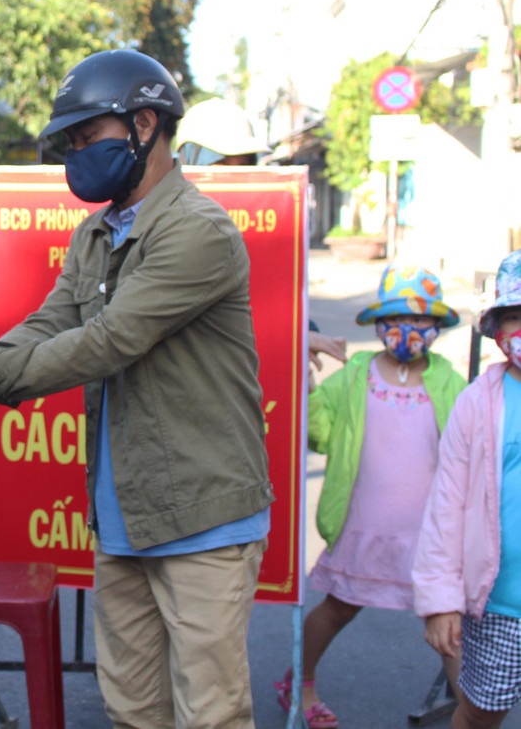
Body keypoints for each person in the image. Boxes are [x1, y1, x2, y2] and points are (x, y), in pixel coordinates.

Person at [0, 49, 273, 729]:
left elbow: (110, 339)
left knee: (210, 713)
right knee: (132, 709)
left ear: (144, 124)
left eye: (88, 139)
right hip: (126, 514)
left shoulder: (196, 231)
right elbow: (50, 322)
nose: (77, 157)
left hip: (204, 515)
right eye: (72, 144)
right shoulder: (96, 233)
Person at [279, 265, 466, 728]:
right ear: (379, 324)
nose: (409, 330)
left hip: (428, 535)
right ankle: (299, 682)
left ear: (437, 327)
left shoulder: (449, 382)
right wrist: (306, 382)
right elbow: (317, 433)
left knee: (446, 625)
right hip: (363, 527)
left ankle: (474, 713)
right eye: (397, 318)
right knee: (339, 609)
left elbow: (470, 448)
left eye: (421, 321)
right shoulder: (356, 375)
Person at [414, 249, 521, 729]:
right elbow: (447, 506)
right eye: (515, 317)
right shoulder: (477, 404)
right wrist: (440, 600)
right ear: (496, 328)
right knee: (478, 712)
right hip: (501, 604)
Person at [176, 96, 349, 368]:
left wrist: (303, 334)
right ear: (190, 161)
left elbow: (274, 296)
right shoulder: (158, 224)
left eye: (243, 165)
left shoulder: (267, 225)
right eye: (221, 164)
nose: (234, 177)